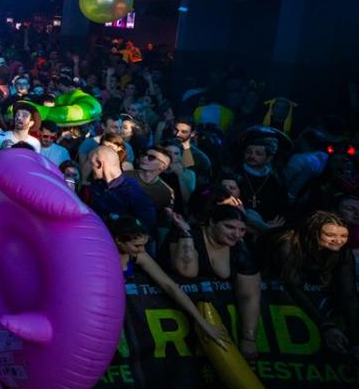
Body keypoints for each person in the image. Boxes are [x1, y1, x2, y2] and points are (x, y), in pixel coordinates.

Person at [110, 215, 228, 349]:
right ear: (119, 240)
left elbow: (170, 286)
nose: (143, 250)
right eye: (137, 245)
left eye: (144, 245)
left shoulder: (137, 255)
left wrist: (204, 324)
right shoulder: (103, 256)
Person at [166, 204, 263, 360]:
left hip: (215, 319)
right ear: (211, 222)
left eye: (242, 230)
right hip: (174, 312)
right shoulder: (186, 234)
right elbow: (187, 271)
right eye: (229, 227)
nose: (236, 234)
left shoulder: (241, 251)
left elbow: (249, 296)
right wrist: (186, 233)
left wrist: (249, 338)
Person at [261, 211, 359, 355]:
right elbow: (293, 287)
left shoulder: (343, 252)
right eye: (330, 235)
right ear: (314, 234)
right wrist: (326, 325)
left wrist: (356, 341)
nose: (338, 240)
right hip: (269, 273)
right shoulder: (288, 243)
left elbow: (349, 294)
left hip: (310, 274)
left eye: (343, 236)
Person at [124, 147, 176, 216]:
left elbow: (164, 218)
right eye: (144, 154)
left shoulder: (166, 192)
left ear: (163, 167)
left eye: (151, 157)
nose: (144, 158)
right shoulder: (125, 176)